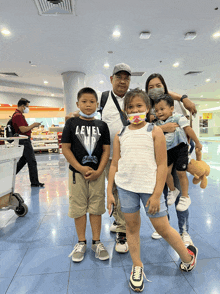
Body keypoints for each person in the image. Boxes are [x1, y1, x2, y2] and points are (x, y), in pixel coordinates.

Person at [107, 89, 198, 292]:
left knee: (162, 228)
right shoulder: (120, 134)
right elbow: (114, 165)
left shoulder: (154, 131)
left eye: (139, 106)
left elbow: (161, 164)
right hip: (126, 188)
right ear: (124, 111)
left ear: (148, 108)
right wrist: (109, 193)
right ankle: (137, 266)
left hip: (149, 189)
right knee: (131, 229)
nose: (135, 110)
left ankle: (187, 257)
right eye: (130, 107)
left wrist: (157, 193)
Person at [65, 63, 132, 254]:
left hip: (128, 156)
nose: (122, 81)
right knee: (109, 194)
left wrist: (182, 98)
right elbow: (87, 112)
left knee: (123, 194)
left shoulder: (134, 99)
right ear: (111, 79)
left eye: (126, 77)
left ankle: (121, 231)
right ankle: (114, 226)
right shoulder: (103, 98)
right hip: (107, 157)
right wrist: (72, 116)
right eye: (118, 77)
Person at [145, 73, 197, 245]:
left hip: (177, 155)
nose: (155, 89)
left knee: (180, 195)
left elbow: (184, 127)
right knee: (163, 195)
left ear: (164, 86)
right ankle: (164, 228)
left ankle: (184, 231)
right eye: (151, 87)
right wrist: (162, 128)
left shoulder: (175, 106)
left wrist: (184, 98)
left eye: (158, 85)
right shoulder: (146, 109)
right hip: (157, 159)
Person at [62, 87, 110, 263]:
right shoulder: (71, 123)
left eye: (92, 102)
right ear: (77, 104)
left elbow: (106, 150)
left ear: (97, 105)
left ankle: (96, 241)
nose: (88, 105)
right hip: (77, 174)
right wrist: (80, 168)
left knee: (97, 207)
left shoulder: (102, 126)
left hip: (97, 175)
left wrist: (99, 171)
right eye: (84, 101)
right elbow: (65, 149)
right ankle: (81, 241)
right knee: (78, 208)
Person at [154, 94, 202, 211]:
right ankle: (173, 190)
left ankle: (185, 196)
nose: (159, 112)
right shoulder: (157, 123)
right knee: (165, 172)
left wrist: (197, 142)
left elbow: (188, 129)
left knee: (181, 172)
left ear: (171, 108)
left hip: (181, 148)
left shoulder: (178, 117)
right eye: (156, 110)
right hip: (167, 150)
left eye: (162, 109)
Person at [12, 98, 44, 187]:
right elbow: (23, 129)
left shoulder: (18, 115)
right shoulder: (18, 115)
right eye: (27, 106)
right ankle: (34, 182)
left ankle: (10, 175)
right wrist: (34, 125)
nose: (27, 108)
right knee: (32, 161)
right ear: (22, 106)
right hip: (24, 140)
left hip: (23, 140)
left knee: (23, 160)